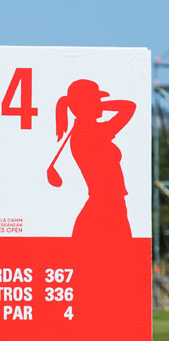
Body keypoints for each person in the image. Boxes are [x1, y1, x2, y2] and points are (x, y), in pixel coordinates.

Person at [54, 79, 136, 239]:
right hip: (106, 206)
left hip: (109, 204)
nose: (99, 103)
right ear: (82, 105)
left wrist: (96, 104)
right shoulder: (89, 132)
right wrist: (94, 106)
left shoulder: (89, 130)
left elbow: (128, 107)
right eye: (95, 100)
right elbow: (129, 108)